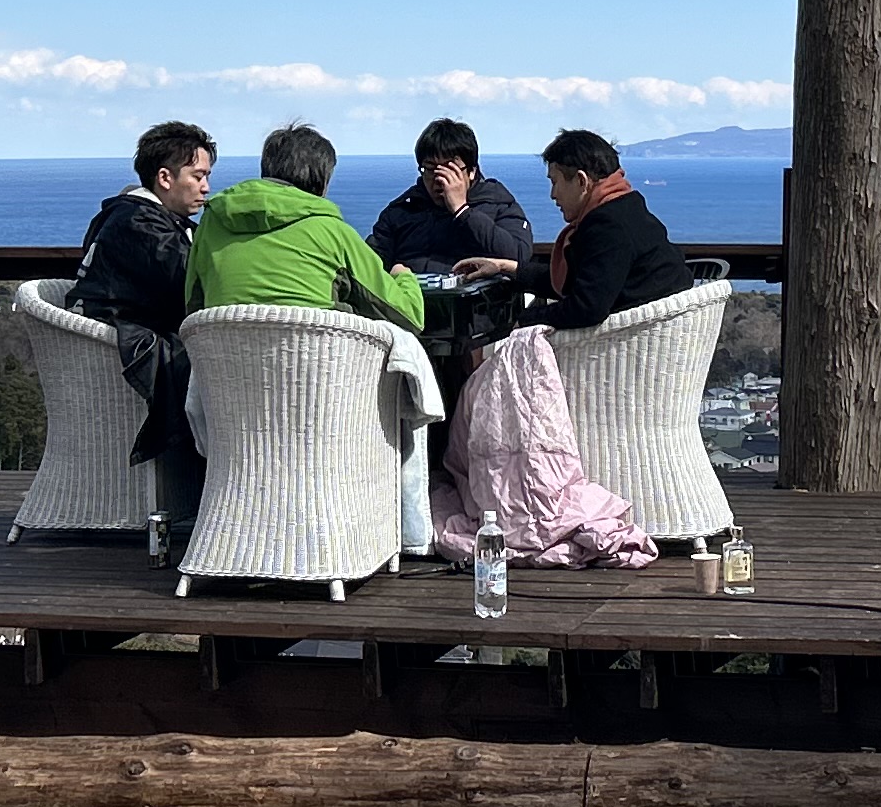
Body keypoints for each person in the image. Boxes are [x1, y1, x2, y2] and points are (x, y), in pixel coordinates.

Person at [70, 120, 214, 522]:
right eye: (198, 176)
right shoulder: (139, 224)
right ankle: (219, 489)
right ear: (165, 178)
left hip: (118, 339)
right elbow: (191, 283)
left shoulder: (139, 217)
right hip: (115, 353)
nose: (206, 188)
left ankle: (208, 491)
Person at [186, 123, 430, 331]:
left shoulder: (212, 222)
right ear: (322, 182)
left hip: (227, 369)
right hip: (317, 370)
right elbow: (409, 317)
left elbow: (193, 307)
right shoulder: (332, 232)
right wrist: (403, 276)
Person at [525, 128, 698, 333]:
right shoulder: (627, 210)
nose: (553, 194)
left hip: (629, 343)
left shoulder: (608, 227)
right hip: (662, 334)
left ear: (581, 181)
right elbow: (588, 279)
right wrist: (513, 270)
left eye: (554, 182)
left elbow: (586, 308)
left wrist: (521, 321)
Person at [368, 117, 537, 279]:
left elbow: (519, 257)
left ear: (471, 171)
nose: (440, 179)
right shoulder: (402, 210)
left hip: (478, 298)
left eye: (450, 170)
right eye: (430, 169)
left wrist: (462, 211)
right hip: (411, 297)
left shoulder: (497, 203)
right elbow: (369, 264)